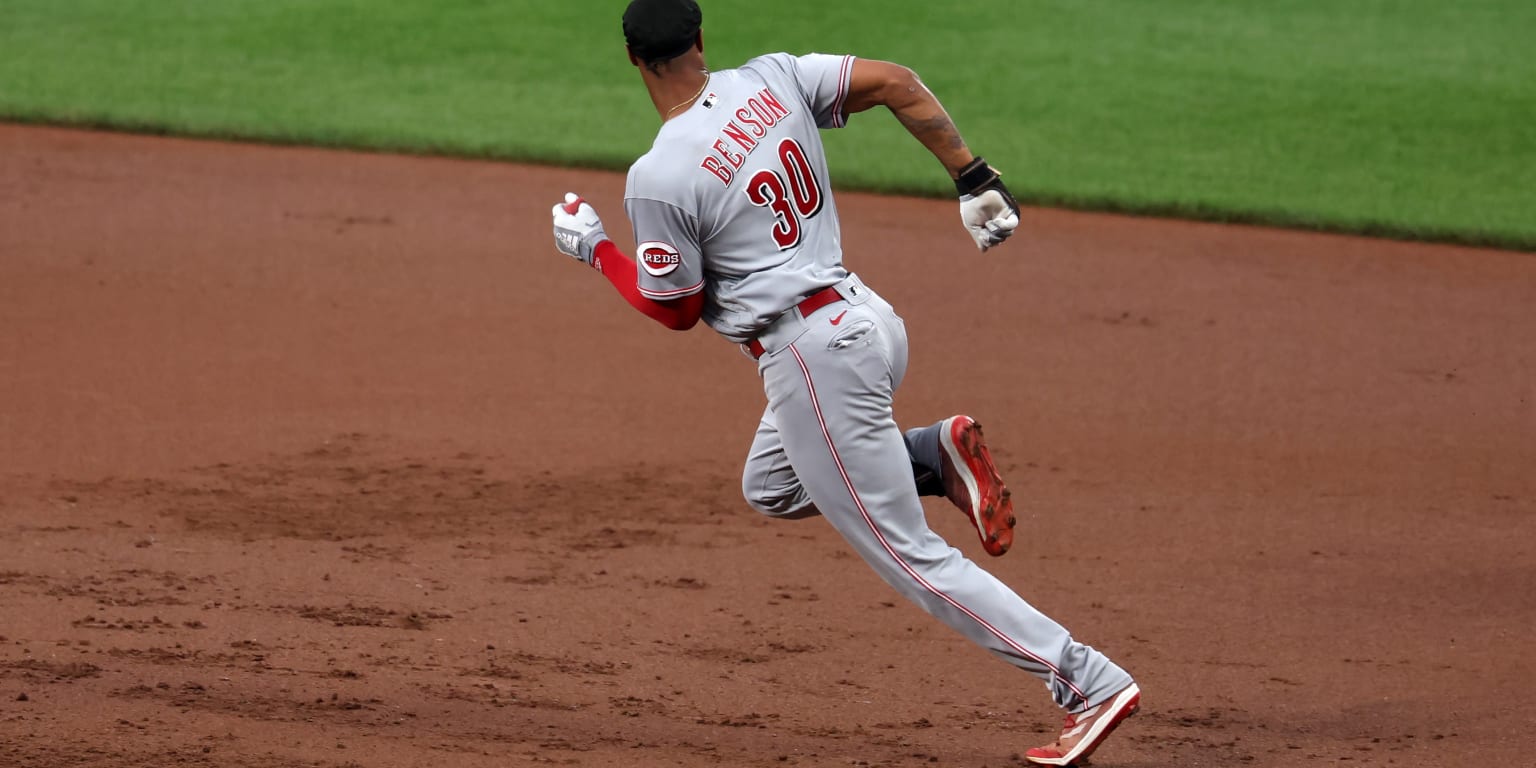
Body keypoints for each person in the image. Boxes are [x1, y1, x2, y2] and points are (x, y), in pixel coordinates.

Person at [548, 1, 1140, 764]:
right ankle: (931, 455)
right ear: (701, 40)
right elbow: (896, 81)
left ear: (632, 61)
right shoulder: (772, 78)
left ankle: (1086, 681)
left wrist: (595, 249)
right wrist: (973, 176)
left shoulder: (658, 176)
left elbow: (676, 310)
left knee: (911, 558)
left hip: (813, 359)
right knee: (772, 485)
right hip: (868, 321)